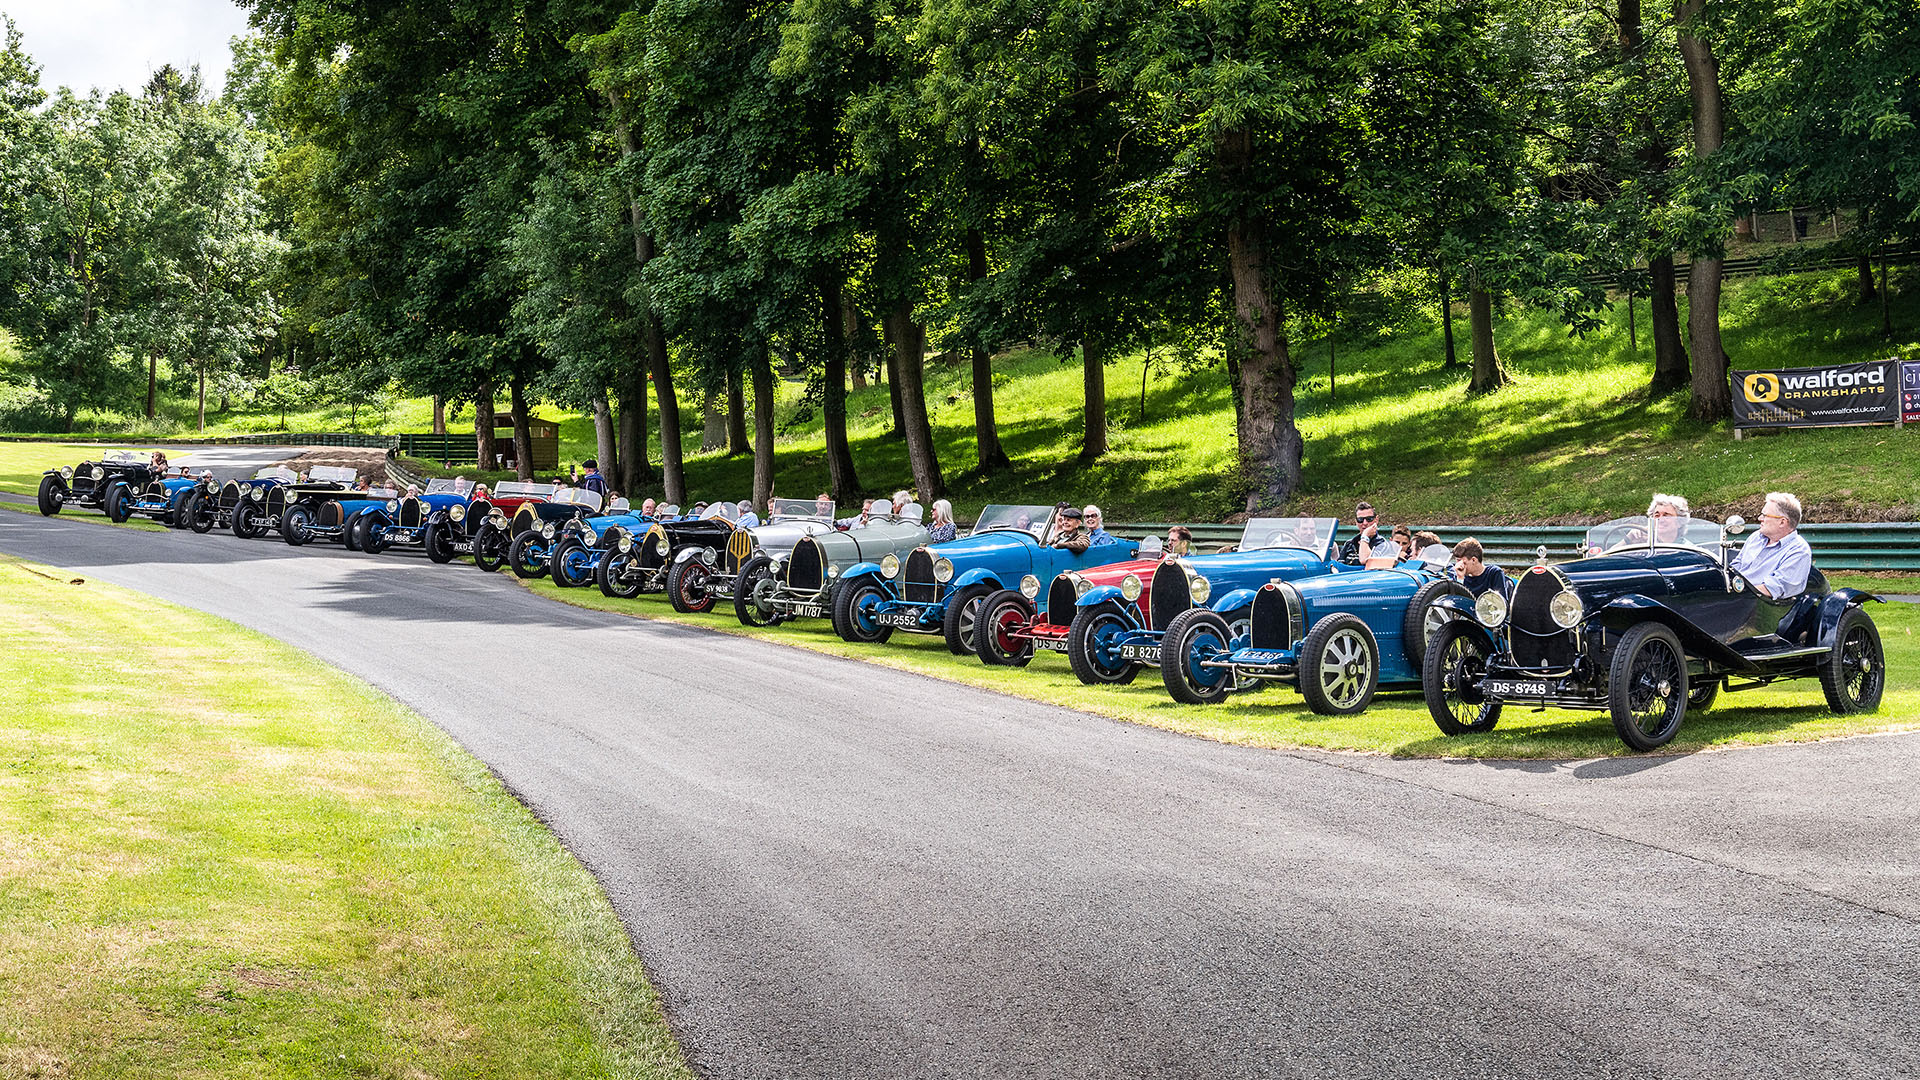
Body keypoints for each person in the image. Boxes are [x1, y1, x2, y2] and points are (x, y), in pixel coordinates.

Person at [1734, 492, 1812, 598]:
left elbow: (1775, 588)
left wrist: (1736, 592)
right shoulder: (1756, 537)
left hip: (1760, 603)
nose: (1759, 518)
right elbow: (1735, 567)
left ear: (1782, 522)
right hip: (1738, 595)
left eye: (1765, 515)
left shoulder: (1799, 550)